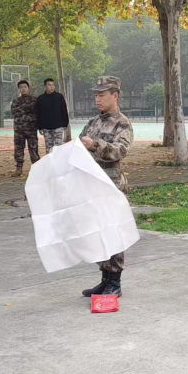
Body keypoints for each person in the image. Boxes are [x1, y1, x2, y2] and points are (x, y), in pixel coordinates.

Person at [80, 76, 134, 298]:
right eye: (96, 95)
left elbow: (120, 150)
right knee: (98, 234)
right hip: (92, 186)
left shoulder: (122, 123)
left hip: (111, 186)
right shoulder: (93, 122)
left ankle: (115, 282)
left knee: (113, 233)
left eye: (102, 95)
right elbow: (79, 147)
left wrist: (95, 145)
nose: (97, 99)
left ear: (115, 95)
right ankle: (104, 279)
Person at [10, 80, 39, 177]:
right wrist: (27, 108)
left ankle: (36, 169)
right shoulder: (15, 101)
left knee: (33, 149)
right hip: (19, 129)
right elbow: (13, 111)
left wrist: (20, 108)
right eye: (21, 87)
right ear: (19, 89)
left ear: (28, 88)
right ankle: (19, 168)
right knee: (18, 149)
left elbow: (35, 109)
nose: (23, 89)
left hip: (31, 129)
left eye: (25, 87)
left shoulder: (35, 100)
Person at [35, 78, 70, 153]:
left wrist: (65, 123)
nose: (51, 87)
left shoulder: (59, 97)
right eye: (49, 85)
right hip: (46, 128)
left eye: (53, 85)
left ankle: (59, 160)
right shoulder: (41, 98)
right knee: (49, 149)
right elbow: (38, 113)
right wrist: (40, 127)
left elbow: (64, 110)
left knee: (59, 147)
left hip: (58, 127)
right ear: (45, 86)